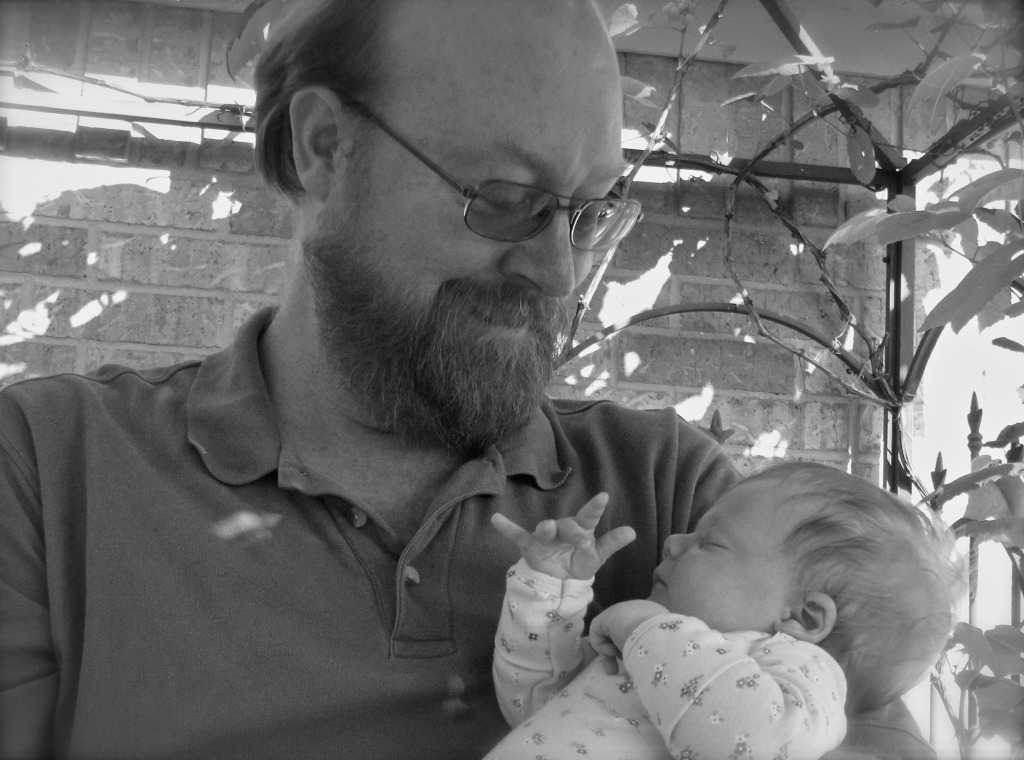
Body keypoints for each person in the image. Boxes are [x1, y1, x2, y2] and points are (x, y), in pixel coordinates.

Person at [0, 1, 939, 759]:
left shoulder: (671, 496)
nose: (560, 274)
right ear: (325, 147)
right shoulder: (46, 470)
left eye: (589, 212)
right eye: (505, 198)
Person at [486, 463, 964, 760]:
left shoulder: (794, 671)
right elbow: (534, 702)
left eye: (710, 542)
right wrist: (549, 587)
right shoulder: (650, 646)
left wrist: (647, 628)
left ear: (805, 618)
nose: (673, 541)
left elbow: (751, 742)